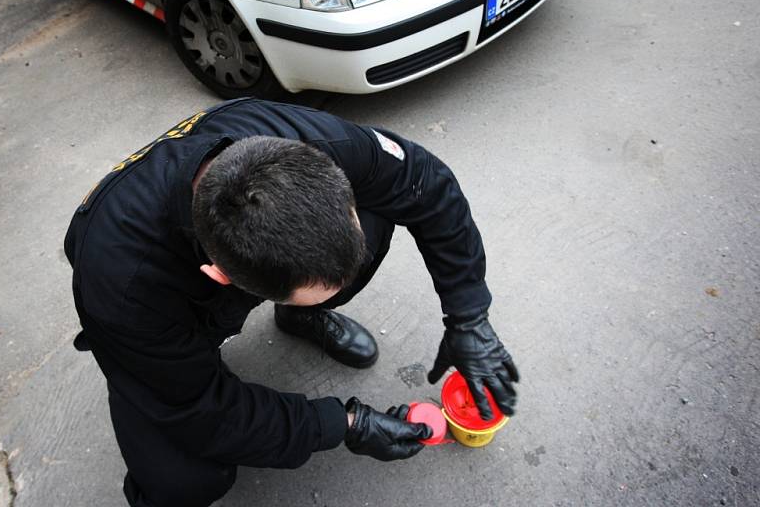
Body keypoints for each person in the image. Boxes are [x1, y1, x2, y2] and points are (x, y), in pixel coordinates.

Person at [64, 98, 519, 507]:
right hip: (147, 320)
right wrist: (343, 424)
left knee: (386, 207)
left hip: (225, 250)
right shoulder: (125, 289)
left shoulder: (310, 139)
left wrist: (469, 315)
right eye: (320, 292)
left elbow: (424, 182)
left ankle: (301, 313)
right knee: (187, 480)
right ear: (223, 279)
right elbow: (206, 415)